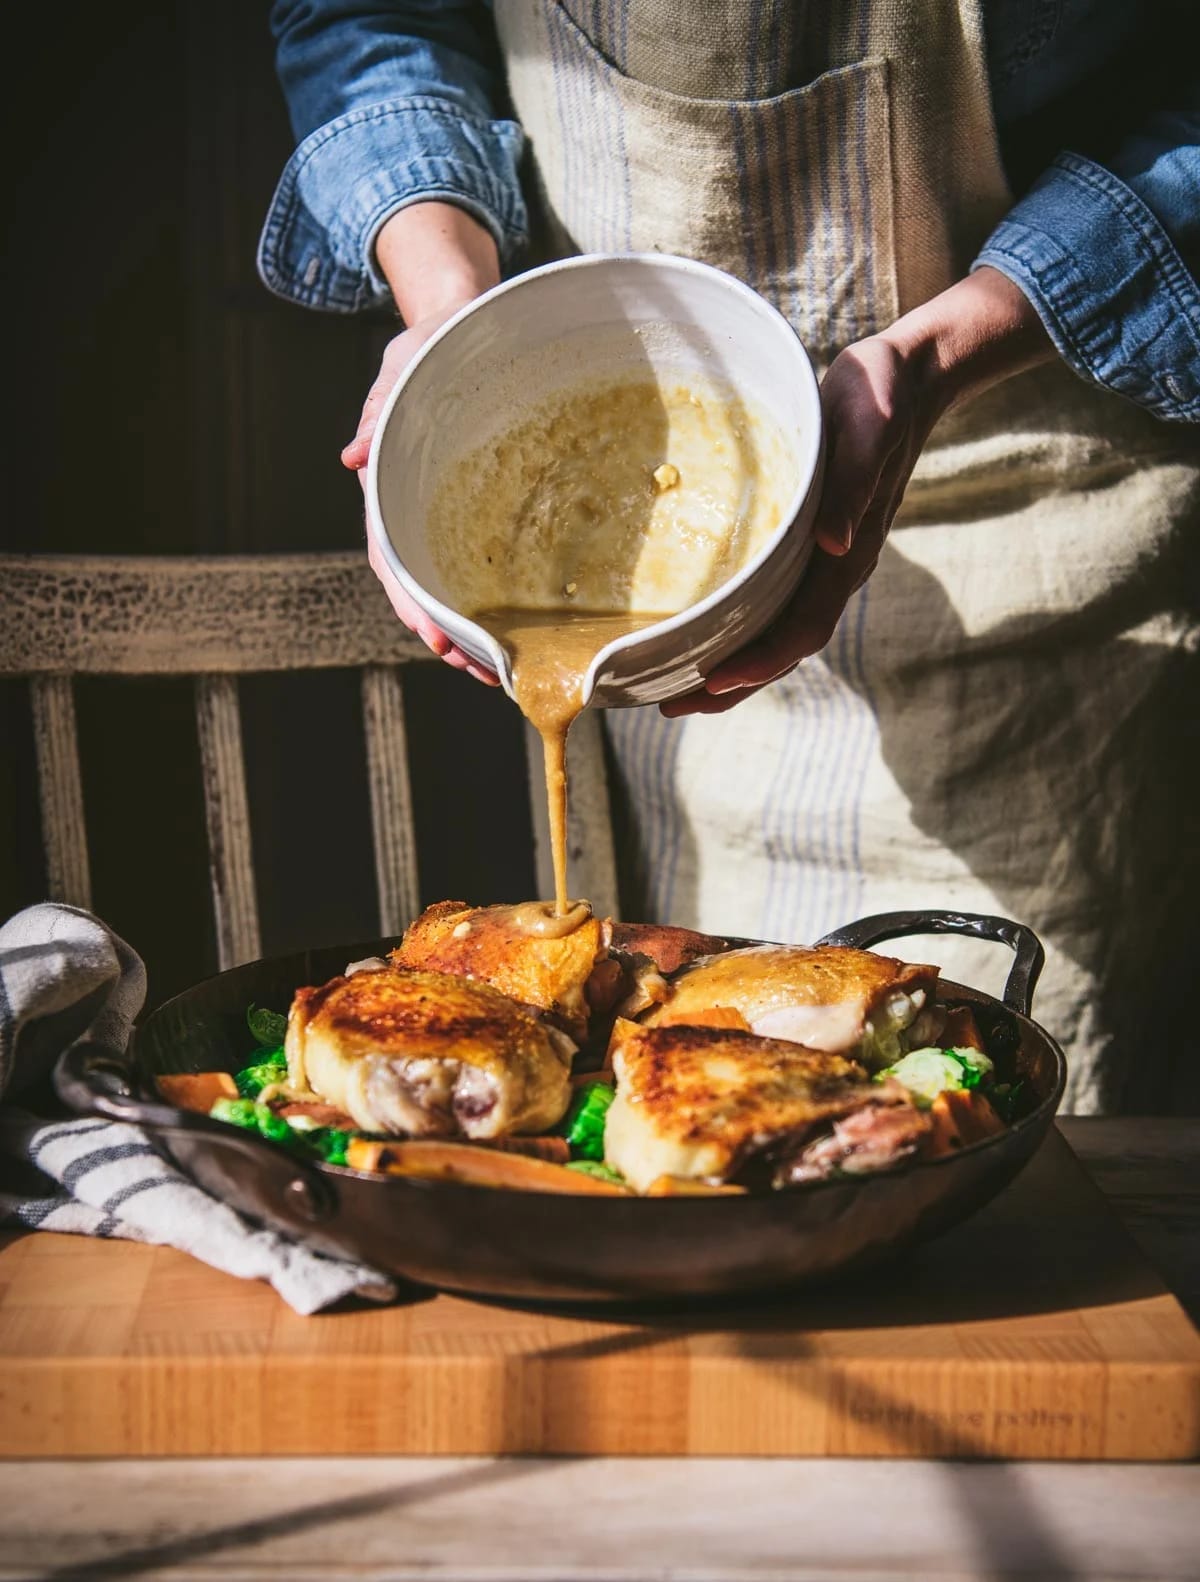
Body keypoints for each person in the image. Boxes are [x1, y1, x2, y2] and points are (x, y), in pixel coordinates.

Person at [259, 2, 1200, 1113]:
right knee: (673, 1043)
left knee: (1019, 1118)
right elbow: (371, 18)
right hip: (638, 531)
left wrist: (939, 353)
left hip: (1037, 496)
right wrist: (447, 318)